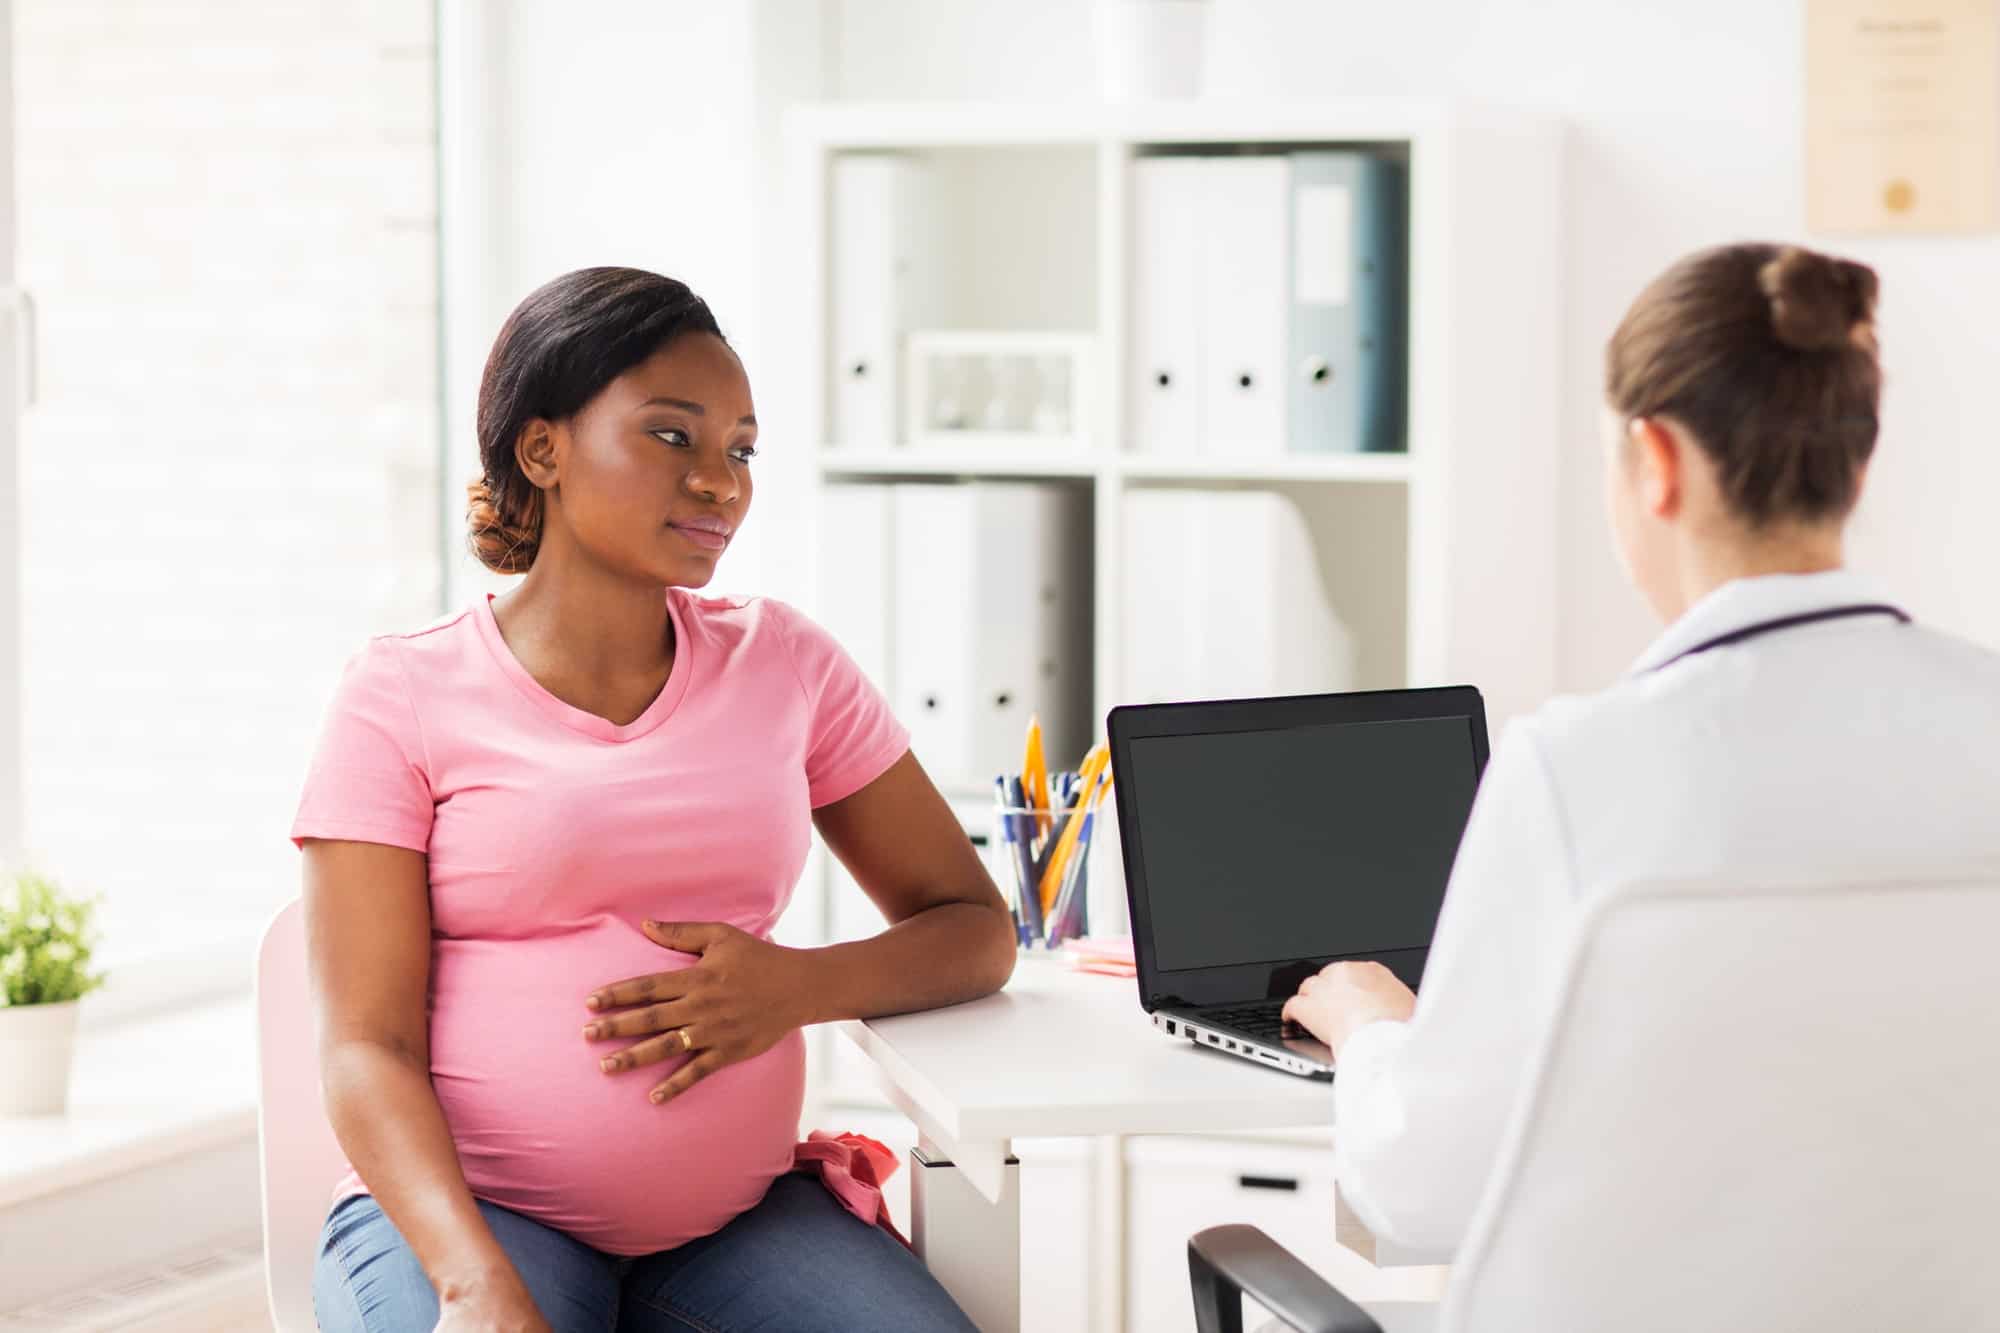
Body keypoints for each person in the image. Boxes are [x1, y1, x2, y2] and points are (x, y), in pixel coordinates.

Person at [293, 267, 1014, 1332]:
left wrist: (793, 988)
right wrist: (469, 1278)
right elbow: (365, 1047)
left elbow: (973, 930)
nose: (719, 481)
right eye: (672, 437)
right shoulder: (399, 692)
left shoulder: (785, 663)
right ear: (542, 450)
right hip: (477, 1218)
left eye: (741, 448)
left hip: (739, 1225)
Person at [1281, 242, 2000, 1256]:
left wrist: (1369, 1032)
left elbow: (1426, 1193)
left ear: (1652, 462)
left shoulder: (1569, 772)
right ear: (1856, 462)